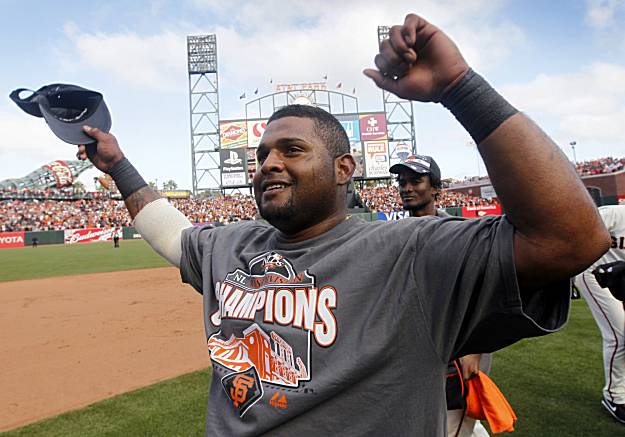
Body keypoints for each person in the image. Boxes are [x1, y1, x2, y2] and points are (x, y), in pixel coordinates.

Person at [76, 13, 609, 436]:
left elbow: (572, 239)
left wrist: (459, 87)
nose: (268, 164)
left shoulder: (414, 251)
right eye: (261, 154)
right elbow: (172, 234)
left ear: (343, 169)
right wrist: (118, 164)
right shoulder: (231, 245)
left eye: (292, 149)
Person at [390, 155, 491, 437]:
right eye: (402, 181)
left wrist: (474, 348)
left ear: (435, 188)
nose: (406, 187)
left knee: (450, 423)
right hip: (414, 349)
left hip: (458, 351)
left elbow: (483, 293)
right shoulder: (391, 235)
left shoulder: (460, 233)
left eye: (416, 181)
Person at [575, 205, 625, 425]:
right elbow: (574, 230)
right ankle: (615, 397)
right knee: (619, 335)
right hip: (594, 274)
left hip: (622, 280)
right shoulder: (615, 215)